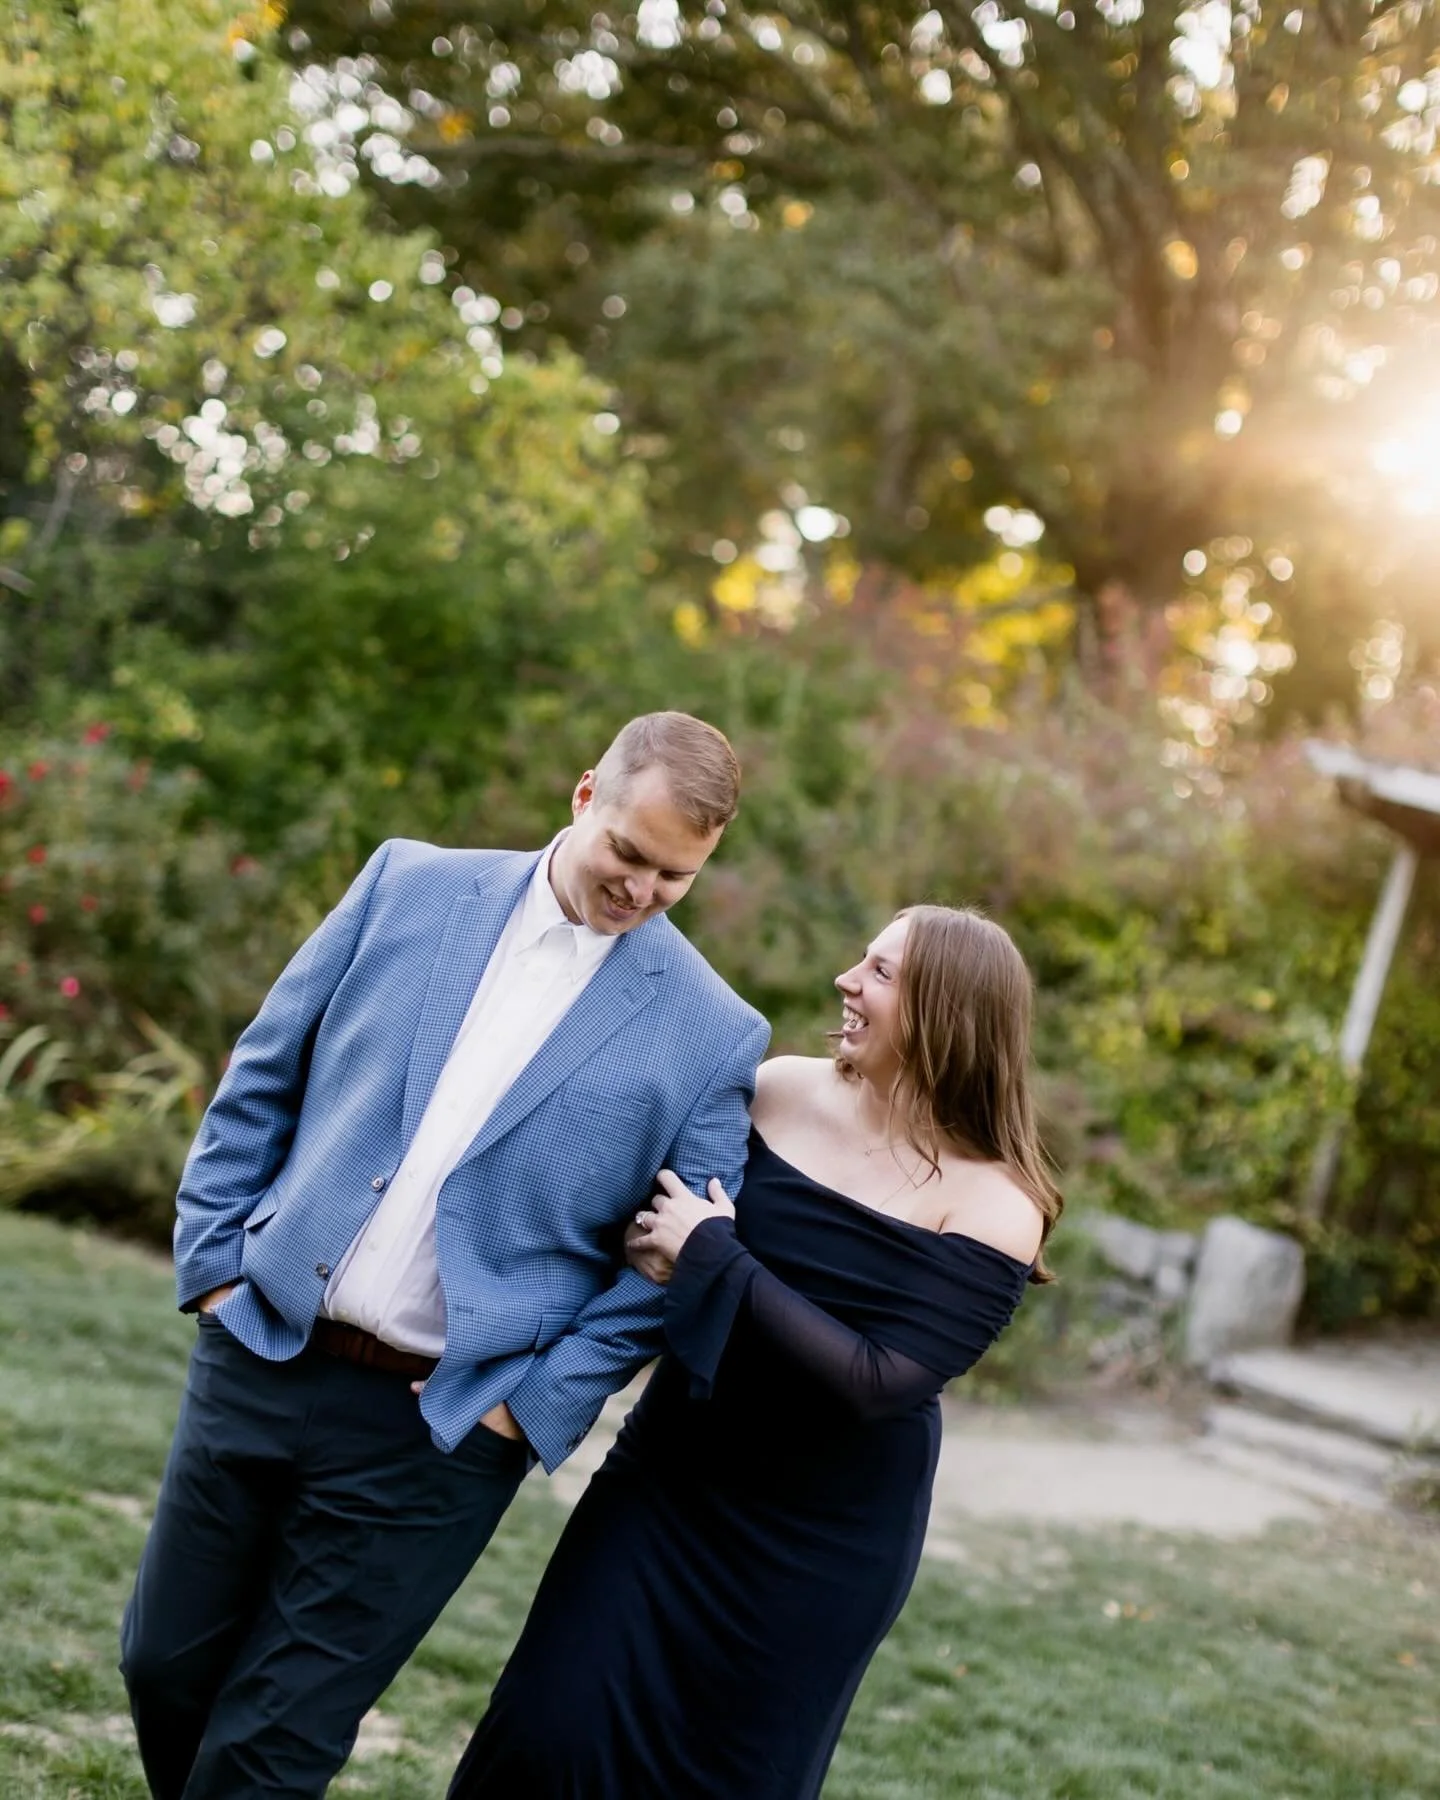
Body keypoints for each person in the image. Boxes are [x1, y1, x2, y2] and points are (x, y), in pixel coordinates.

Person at [119, 712, 769, 1800]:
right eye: (628, 852)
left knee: (276, 1740)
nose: (641, 888)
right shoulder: (404, 885)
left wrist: (533, 1404)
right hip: (259, 1345)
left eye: (675, 876)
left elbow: (674, 1258)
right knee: (162, 1666)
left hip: (439, 1432)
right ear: (584, 797)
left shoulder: (714, 1032)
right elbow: (264, 1075)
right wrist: (217, 1267)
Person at [448, 903, 1061, 1800]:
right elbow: (649, 1232)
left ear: (946, 1013)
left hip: (816, 1544)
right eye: (861, 959)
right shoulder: (775, 1091)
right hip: (669, 1478)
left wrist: (712, 1254)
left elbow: (876, 1381)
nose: (848, 981)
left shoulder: (996, 1205)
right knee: (546, 1732)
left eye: (882, 973)